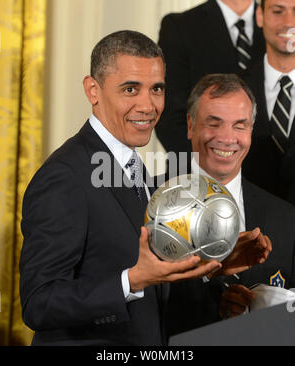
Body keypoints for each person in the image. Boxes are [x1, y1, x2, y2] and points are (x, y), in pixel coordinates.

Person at [19, 31, 271, 346]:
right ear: (93, 90)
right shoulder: (64, 176)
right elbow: (39, 303)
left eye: (156, 89)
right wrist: (130, 280)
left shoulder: (136, 169)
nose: (148, 105)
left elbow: (151, 281)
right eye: (130, 89)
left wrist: (210, 267)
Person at [167, 73, 295, 332]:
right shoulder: (149, 198)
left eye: (239, 125)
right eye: (214, 124)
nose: (227, 138)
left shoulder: (285, 217)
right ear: (191, 125)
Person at [155, 0, 265, 161]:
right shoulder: (180, 26)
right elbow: (169, 114)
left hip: (272, 177)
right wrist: (209, 166)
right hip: (195, 171)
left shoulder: (281, 21)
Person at [242, 0, 295, 205]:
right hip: (250, 228)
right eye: (278, 11)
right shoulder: (235, 87)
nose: (289, 21)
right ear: (260, 16)